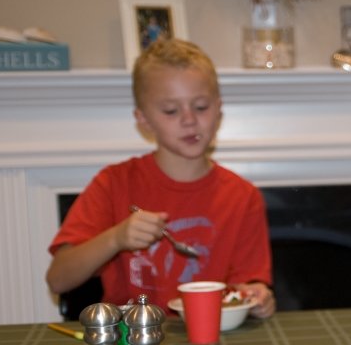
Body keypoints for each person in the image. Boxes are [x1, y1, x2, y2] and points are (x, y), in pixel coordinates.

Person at [46, 38, 275, 318]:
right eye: (171, 111)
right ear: (143, 119)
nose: (189, 120)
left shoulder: (243, 196)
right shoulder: (113, 183)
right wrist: (116, 239)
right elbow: (58, 279)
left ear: (218, 109)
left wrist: (257, 297)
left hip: (214, 333)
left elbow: (247, 287)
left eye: (201, 106)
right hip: (132, 334)